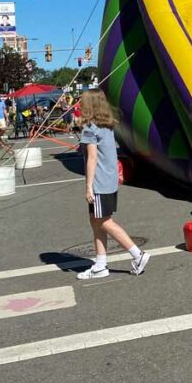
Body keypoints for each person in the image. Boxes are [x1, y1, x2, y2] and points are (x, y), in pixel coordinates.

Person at [76, 88, 150, 280]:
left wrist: (88, 186)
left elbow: (92, 157)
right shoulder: (106, 125)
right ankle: (100, 264)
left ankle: (137, 254)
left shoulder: (90, 127)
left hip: (100, 182)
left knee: (103, 221)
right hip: (109, 179)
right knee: (95, 220)